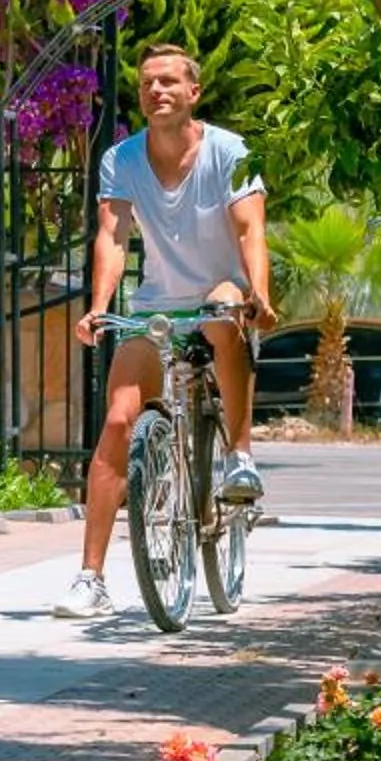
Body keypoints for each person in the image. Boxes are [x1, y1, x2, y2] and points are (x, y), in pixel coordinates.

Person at [55, 44, 273, 622]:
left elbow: (251, 231)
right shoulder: (121, 158)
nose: (157, 90)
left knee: (221, 312)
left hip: (220, 290)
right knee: (120, 422)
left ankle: (240, 458)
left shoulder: (229, 151)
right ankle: (90, 577)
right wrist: (99, 306)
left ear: (193, 92)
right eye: (149, 82)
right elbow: (111, 235)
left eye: (170, 81)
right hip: (155, 303)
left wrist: (259, 295)